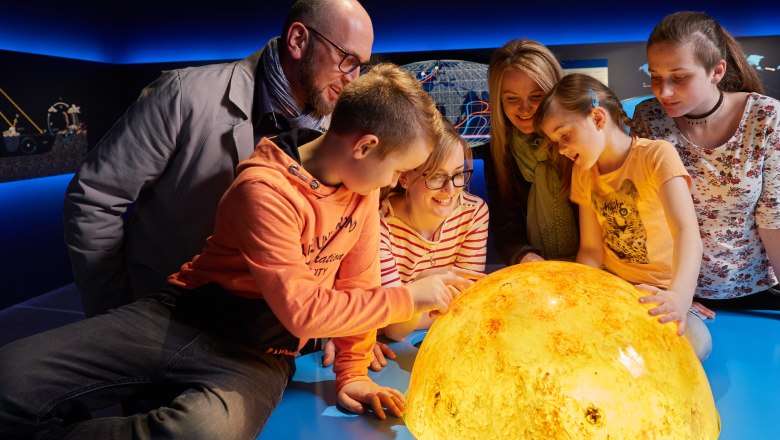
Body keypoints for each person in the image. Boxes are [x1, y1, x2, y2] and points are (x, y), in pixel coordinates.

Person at [0, 63, 475, 439]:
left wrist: (351, 371)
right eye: (399, 170)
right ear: (365, 146)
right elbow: (304, 313)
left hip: (260, 352)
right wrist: (412, 296)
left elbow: (358, 281)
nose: (396, 183)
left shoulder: (363, 189)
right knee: (10, 379)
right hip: (179, 317)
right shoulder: (263, 188)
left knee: (202, 431)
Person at [64, 0, 375, 318]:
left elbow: (344, 238)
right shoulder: (184, 96)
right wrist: (116, 314)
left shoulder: (339, 124)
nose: (353, 78)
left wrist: (342, 322)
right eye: (347, 60)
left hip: (270, 336)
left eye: (361, 65)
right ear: (298, 40)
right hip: (166, 317)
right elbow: (94, 201)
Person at [535, 73, 712, 361]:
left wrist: (679, 297)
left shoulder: (657, 156)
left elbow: (687, 233)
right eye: (556, 141)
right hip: (614, 287)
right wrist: (582, 296)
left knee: (695, 343)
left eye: (565, 135)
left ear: (598, 118)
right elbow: (591, 250)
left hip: (662, 291)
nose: (563, 150)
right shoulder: (584, 172)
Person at [632, 11, 780, 312]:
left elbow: (773, 220)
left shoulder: (764, 116)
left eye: (680, 77)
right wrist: (678, 293)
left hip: (753, 290)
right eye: (656, 77)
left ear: (717, 71)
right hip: (672, 291)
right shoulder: (649, 118)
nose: (664, 91)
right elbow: (644, 215)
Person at [379, 122, 489, 340]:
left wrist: (408, 300)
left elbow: (467, 305)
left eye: (458, 174)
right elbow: (394, 330)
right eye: (436, 176)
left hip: (449, 336)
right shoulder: (380, 223)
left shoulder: (473, 213)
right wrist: (420, 284)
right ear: (404, 177)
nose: (450, 189)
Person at [482, 38, 579, 266]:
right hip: (539, 269)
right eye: (512, 99)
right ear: (499, 102)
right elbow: (506, 226)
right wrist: (525, 256)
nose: (525, 109)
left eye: (536, 97)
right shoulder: (498, 151)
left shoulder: (582, 141)